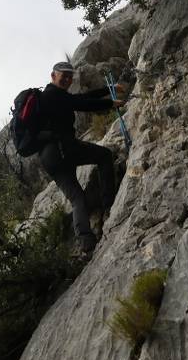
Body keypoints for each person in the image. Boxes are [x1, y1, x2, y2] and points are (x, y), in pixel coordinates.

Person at [37, 61, 126, 254]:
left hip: (49, 159)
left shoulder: (53, 97)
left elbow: (80, 98)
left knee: (77, 198)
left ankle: (86, 243)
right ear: (53, 76)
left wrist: (108, 89)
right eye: (63, 77)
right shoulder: (53, 95)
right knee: (104, 155)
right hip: (63, 148)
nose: (67, 80)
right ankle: (109, 204)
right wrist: (110, 103)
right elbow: (81, 104)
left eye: (70, 77)